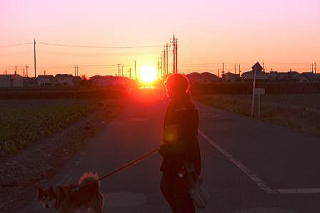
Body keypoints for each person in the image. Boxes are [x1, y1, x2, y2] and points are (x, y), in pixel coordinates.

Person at [159, 74, 201, 213]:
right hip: (178, 159)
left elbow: (185, 139)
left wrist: (166, 150)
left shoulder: (182, 107)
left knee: (180, 198)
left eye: (169, 87)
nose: (167, 90)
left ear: (175, 88)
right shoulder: (182, 104)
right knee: (170, 190)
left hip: (182, 161)